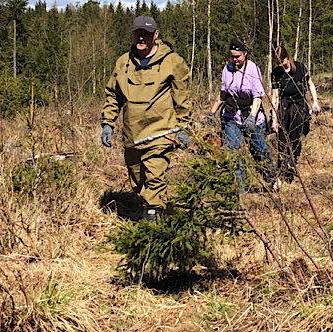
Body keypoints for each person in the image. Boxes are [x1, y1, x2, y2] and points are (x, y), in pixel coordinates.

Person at [101, 16, 191, 221]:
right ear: (132, 34)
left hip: (160, 132)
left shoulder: (172, 61)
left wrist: (184, 126)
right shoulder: (123, 62)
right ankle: (158, 210)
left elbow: (182, 97)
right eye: (138, 33)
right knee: (138, 181)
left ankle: (153, 227)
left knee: (155, 177)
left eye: (147, 34)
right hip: (132, 134)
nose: (142, 38)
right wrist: (108, 123)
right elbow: (113, 95)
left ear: (156, 35)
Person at [207, 39, 276, 190]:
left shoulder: (253, 69)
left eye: (238, 56)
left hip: (251, 114)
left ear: (245, 54)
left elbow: (258, 96)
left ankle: (272, 179)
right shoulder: (227, 69)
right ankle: (240, 187)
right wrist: (212, 112)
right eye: (232, 56)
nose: (235, 59)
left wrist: (252, 116)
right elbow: (223, 94)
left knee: (258, 149)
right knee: (234, 151)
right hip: (231, 115)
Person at [270, 46, 321, 182]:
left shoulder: (300, 67)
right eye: (278, 62)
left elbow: (310, 84)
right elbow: (275, 96)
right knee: (281, 137)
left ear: (287, 58)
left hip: (298, 103)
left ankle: (292, 166)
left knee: (295, 136)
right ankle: (282, 167)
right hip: (284, 105)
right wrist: (274, 119)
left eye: (283, 62)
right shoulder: (275, 73)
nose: (281, 65)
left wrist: (314, 102)